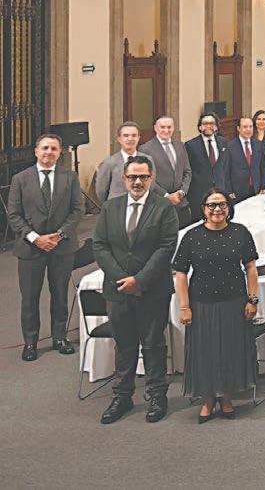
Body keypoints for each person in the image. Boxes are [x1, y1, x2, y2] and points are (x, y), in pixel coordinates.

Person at [93, 155, 180, 424]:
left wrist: (139, 280)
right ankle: (122, 396)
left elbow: (166, 247)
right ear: (124, 179)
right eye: (132, 177)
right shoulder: (110, 207)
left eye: (143, 176)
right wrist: (123, 279)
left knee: (153, 344)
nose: (138, 182)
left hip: (153, 289)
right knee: (124, 344)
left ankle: (156, 395)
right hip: (117, 289)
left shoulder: (164, 208)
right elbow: (100, 245)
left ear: (151, 178)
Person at [173, 190, 259, 423]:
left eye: (222, 204)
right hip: (201, 303)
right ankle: (208, 399)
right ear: (203, 209)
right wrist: (184, 307)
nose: (217, 209)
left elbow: (251, 268)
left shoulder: (240, 232)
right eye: (211, 205)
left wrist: (252, 300)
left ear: (229, 207)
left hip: (234, 302)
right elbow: (180, 273)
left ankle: (226, 396)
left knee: (230, 351)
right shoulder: (192, 236)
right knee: (206, 353)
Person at [8, 133, 85, 361]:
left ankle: (59, 338)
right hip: (30, 248)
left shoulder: (70, 177)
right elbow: (14, 214)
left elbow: (78, 210)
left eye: (53, 149)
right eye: (44, 148)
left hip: (61, 246)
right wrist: (35, 238)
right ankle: (30, 342)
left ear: (60, 153)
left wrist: (58, 236)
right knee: (29, 298)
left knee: (60, 294)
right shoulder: (20, 179)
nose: (48, 152)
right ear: (36, 151)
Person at [139, 115, 193, 227]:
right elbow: (146, 178)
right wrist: (166, 195)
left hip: (181, 203)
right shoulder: (145, 149)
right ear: (155, 128)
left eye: (169, 127)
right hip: (159, 205)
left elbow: (187, 171)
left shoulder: (180, 145)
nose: (166, 130)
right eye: (162, 127)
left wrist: (182, 192)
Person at [217, 117, 265, 206]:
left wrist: (263, 186)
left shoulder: (258, 144)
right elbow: (226, 171)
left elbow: (262, 167)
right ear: (238, 128)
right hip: (238, 191)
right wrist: (229, 190)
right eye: (245, 127)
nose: (248, 129)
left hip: (256, 188)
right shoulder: (230, 147)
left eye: (250, 126)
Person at [184, 114, 228, 215]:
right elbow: (187, 170)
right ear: (200, 127)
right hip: (199, 194)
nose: (208, 126)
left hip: (220, 191)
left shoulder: (223, 142)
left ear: (216, 127)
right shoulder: (190, 145)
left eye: (212, 123)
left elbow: (225, 166)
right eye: (205, 123)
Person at [95, 121, 143, 203]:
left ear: (138, 138)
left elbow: (151, 185)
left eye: (134, 135)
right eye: (126, 135)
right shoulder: (108, 163)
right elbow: (101, 192)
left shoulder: (148, 160)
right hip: (116, 206)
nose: (130, 139)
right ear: (119, 139)